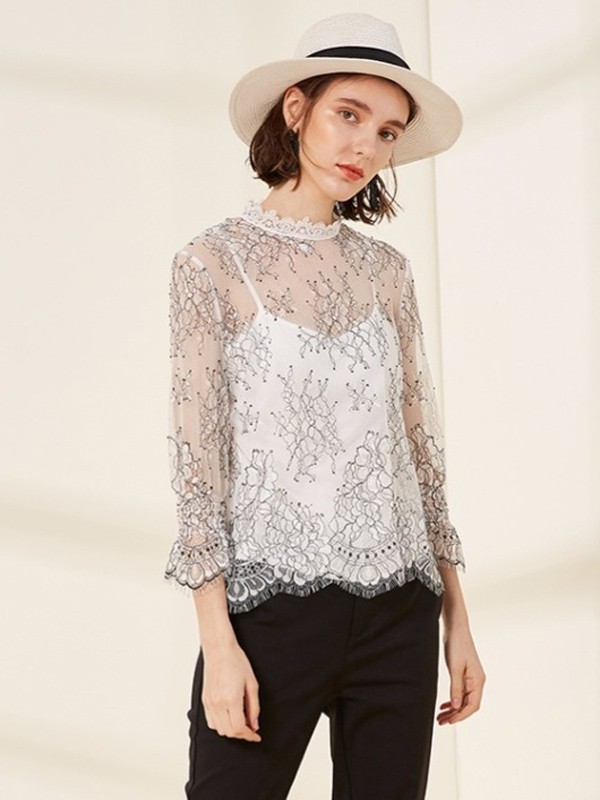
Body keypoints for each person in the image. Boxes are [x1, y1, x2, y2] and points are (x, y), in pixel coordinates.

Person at [164, 11, 486, 800]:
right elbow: (198, 464)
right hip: (270, 611)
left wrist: (457, 618)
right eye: (349, 114)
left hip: (400, 613)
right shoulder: (211, 263)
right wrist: (219, 644)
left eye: (387, 132)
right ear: (296, 108)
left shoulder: (388, 273)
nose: (365, 147)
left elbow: (419, 452)